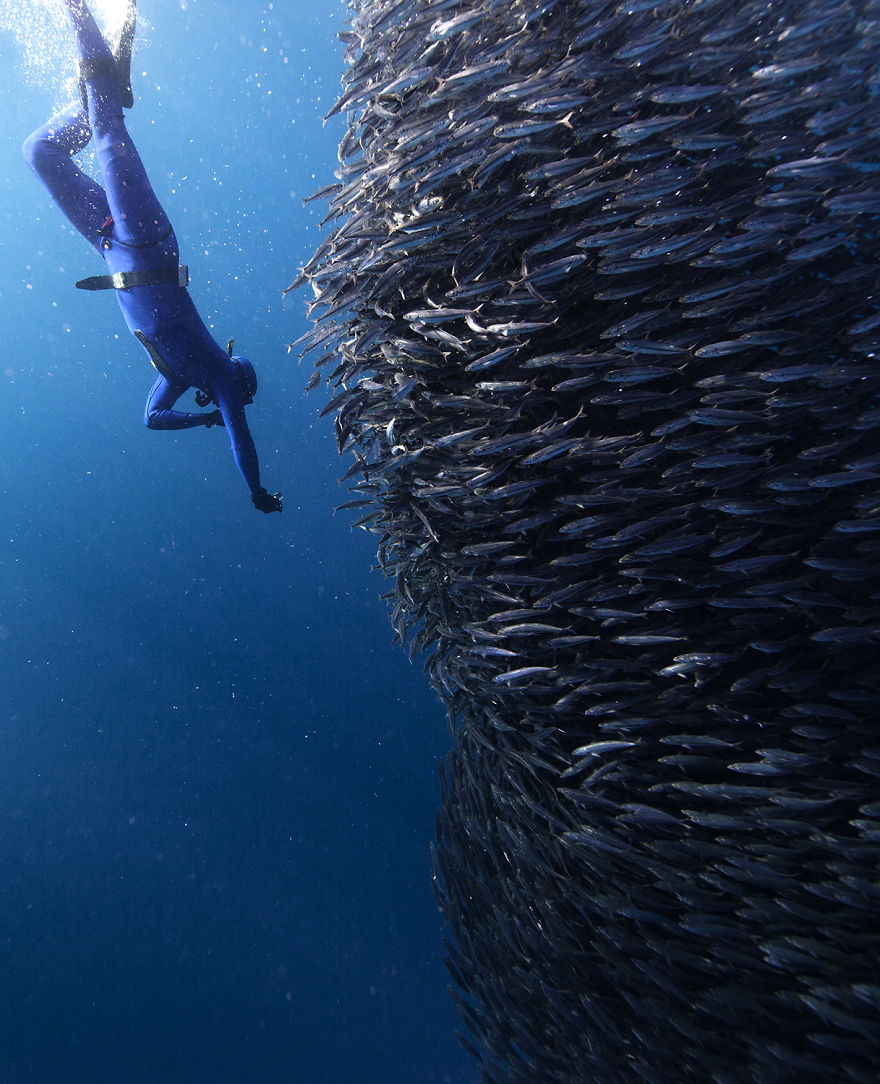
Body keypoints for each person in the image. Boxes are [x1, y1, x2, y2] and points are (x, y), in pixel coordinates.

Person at [23, 0, 283, 514]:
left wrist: (198, 421)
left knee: (41, 152)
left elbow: (152, 419)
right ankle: (75, 12)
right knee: (107, 131)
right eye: (236, 398)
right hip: (146, 242)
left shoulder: (178, 377)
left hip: (111, 247)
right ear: (237, 382)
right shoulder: (217, 373)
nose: (230, 404)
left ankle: (106, 93)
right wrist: (254, 489)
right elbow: (243, 441)